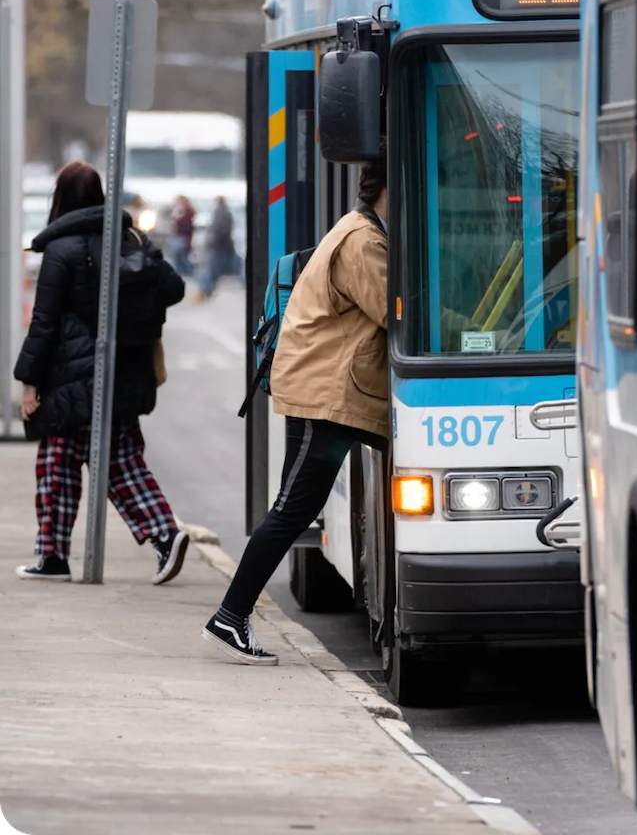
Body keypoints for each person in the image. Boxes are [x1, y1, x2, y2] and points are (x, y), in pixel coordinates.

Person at [203, 149, 389, 664]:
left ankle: (230, 615)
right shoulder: (363, 240)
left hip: (326, 389)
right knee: (292, 509)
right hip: (325, 395)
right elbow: (397, 309)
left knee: (293, 506)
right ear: (387, 190)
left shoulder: (359, 230)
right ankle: (230, 616)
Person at [14, 162, 189, 584]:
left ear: (60, 199)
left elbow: (45, 322)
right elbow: (174, 289)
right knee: (121, 460)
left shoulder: (62, 250)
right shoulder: (129, 240)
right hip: (125, 371)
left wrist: (29, 382)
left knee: (57, 463)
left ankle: (54, 556)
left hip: (71, 379)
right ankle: (163, 533)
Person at [195, 196, 240, 300]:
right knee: (222, 269)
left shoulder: (220, 213)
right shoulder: (226, 213)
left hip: (218, 246)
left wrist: (211, 241)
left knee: (210, 268)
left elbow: (219, 230)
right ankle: (206, 290)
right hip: (224, 245)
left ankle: (206, 291)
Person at [169, 195, 196, 277]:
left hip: (183, 236)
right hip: (181, 236)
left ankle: (188, 272)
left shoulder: (187, 212)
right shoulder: (181, 211)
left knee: (181, 256)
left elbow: (185, 225)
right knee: (179, 256)